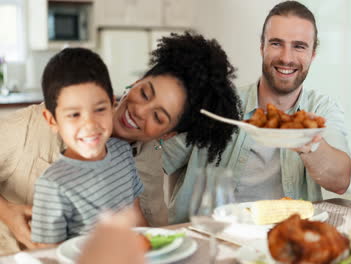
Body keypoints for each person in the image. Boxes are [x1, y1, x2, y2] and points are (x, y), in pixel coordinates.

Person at [0, 32, 242, 254]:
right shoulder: (29, 127)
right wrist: (7, 212)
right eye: (145, 93)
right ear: (138, 80)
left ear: (167, 134)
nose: (139, 110)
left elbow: (144, 232)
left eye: (158, 117)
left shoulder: (146, 159)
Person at [163, 1, 351, 224]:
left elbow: (340, 181)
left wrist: (307, 141)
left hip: (285, 242)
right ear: (261, 46)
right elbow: (157, 159)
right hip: (211, 236)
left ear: (312, 54)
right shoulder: (217, 101)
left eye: (299, 46)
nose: (286, 58)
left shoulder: (321, 109)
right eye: (276, 43)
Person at [30, 48, 147, 245]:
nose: (90, 125)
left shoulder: (123, 152)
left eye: (100, 109)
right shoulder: (52, 184)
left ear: (112, 105)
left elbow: (138, 221)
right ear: (52, 121)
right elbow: (47, 253)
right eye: (74, 115)